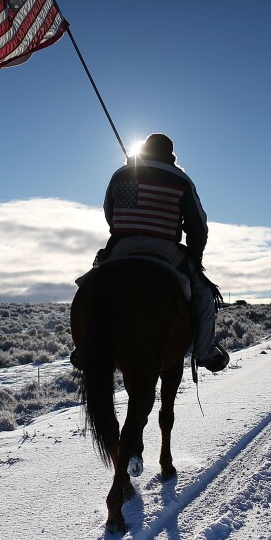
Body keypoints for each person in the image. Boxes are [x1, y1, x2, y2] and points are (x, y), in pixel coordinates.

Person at [99, 133, 229, 372]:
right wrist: (195, 257)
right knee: (203, 294)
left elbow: (109, 211)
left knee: (94, 284)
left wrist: (124, 229)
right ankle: (205, 351)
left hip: (122, 246)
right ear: (170, 154)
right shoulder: (181, 179)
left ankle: (86, 345)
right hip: (165, 249)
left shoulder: (121, 174)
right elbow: (198, 226)